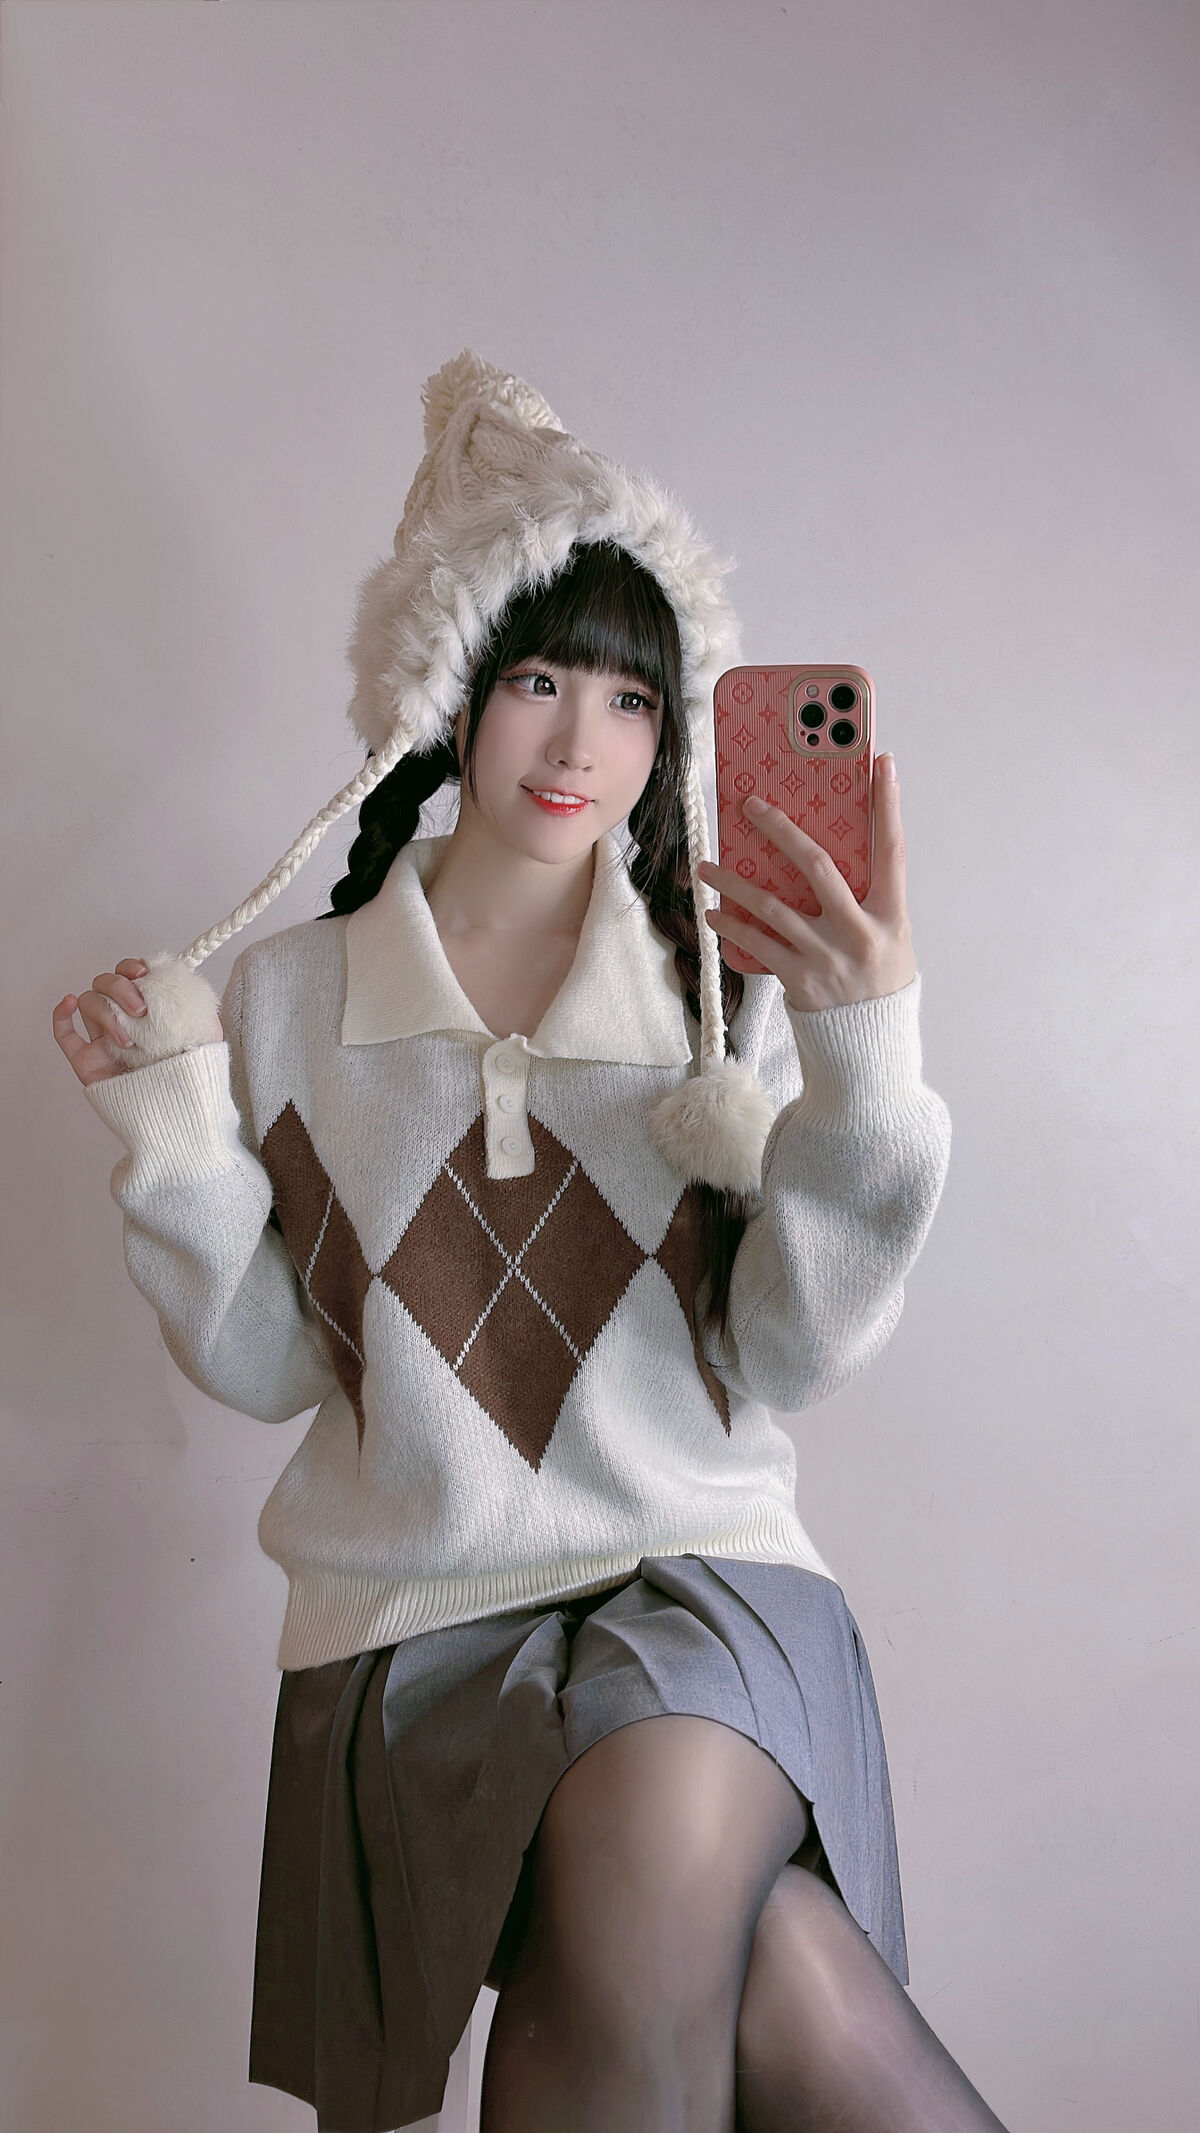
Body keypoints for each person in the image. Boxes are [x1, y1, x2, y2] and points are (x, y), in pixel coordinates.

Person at [54, 353, 1008, 2132]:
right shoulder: (287, 1000)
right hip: (422, 1615)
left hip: (706, 1578)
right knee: (764, 1965)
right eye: (539, 680)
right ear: (448, 695)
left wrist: (865, 1050)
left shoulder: (725, 992)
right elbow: (272, 1362)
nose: (582, 746)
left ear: (678, 729)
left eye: (634, 698)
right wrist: (173, 1130)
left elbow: (791, 1350)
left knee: (655, 1810)